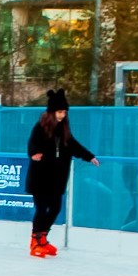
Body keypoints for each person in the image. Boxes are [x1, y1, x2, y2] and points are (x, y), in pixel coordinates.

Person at [24, 88, 99, 258]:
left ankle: (43, 238)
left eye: (64, 112)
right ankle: (34, 241)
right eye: (59, 112)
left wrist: (89, 156)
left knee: (56, 208)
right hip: (40, 176)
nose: (62, 115)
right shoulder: (41, 127)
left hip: (57, 178)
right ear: (51, 112)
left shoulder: (64, 130)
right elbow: (32, 143)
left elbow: (73, 145)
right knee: (42, 209)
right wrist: (34, 153)